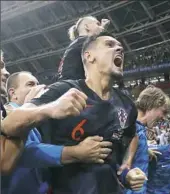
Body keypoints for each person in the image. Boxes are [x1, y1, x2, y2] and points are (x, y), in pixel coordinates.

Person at [24, 33, 147, 194]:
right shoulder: (63, 91)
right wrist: (75, 153)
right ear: (89, 56)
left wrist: (126, 170)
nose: (119, 48)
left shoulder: (127, 105)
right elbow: (20, 125)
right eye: (110, 45)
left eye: (120, 47)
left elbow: (128, 139)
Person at [1, 71, 113, 194]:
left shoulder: (40, 120)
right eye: (30, 84)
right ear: (13, 93)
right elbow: (24, 153)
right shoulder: (8, 113)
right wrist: (76, 152)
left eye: (38, 83)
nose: (39, 87)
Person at [125, 85, 170, 194]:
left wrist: (143, 150)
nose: (164, 117)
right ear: (152, 105)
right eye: (163, 111)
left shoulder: (138, 128)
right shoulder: (128, 129)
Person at [58, 16, 110, 80]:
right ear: (87, 27)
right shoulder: (83, 41)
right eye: (98, 24)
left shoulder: (78, 42)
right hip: (74, 85)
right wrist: (103, 30)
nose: (100, 27)